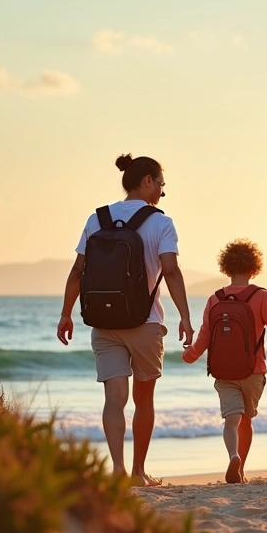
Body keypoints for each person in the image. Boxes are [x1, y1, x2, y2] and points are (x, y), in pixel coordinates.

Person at [57, 154, 194, 487]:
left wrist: (65, 314)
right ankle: (138, 472)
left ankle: (117, 470)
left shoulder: (97, 219)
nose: (162, 191)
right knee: (143, 399)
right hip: (145, 323)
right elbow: (171, 271)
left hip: (104, 323)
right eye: (161, 184)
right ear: (147, 180)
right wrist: (186, 317)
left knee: (114, 399)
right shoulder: (161, 223)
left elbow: (78, 271)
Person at [182, 239, 267, 484]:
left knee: (231, 420)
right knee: (246, 420)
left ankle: (233, 455)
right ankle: (241, 468)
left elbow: (205, 336)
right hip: (253, 371)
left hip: (223, 372)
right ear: (254, 267)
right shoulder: (260, 296)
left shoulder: (215, 299)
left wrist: (189, 355)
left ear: (226, 267)